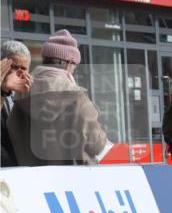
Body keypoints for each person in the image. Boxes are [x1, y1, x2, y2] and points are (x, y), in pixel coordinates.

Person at [7, 30, 112, 166]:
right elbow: (97, 145)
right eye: (75, 66)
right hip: (73, 182)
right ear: (69, 64)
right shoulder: (77, 98)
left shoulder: (21, 94)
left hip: (31, 182)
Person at [1, 41, 32, 167]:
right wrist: (2, 90)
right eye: (14, 67)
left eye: (24, 68)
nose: (19, 72)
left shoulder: (19, 93)